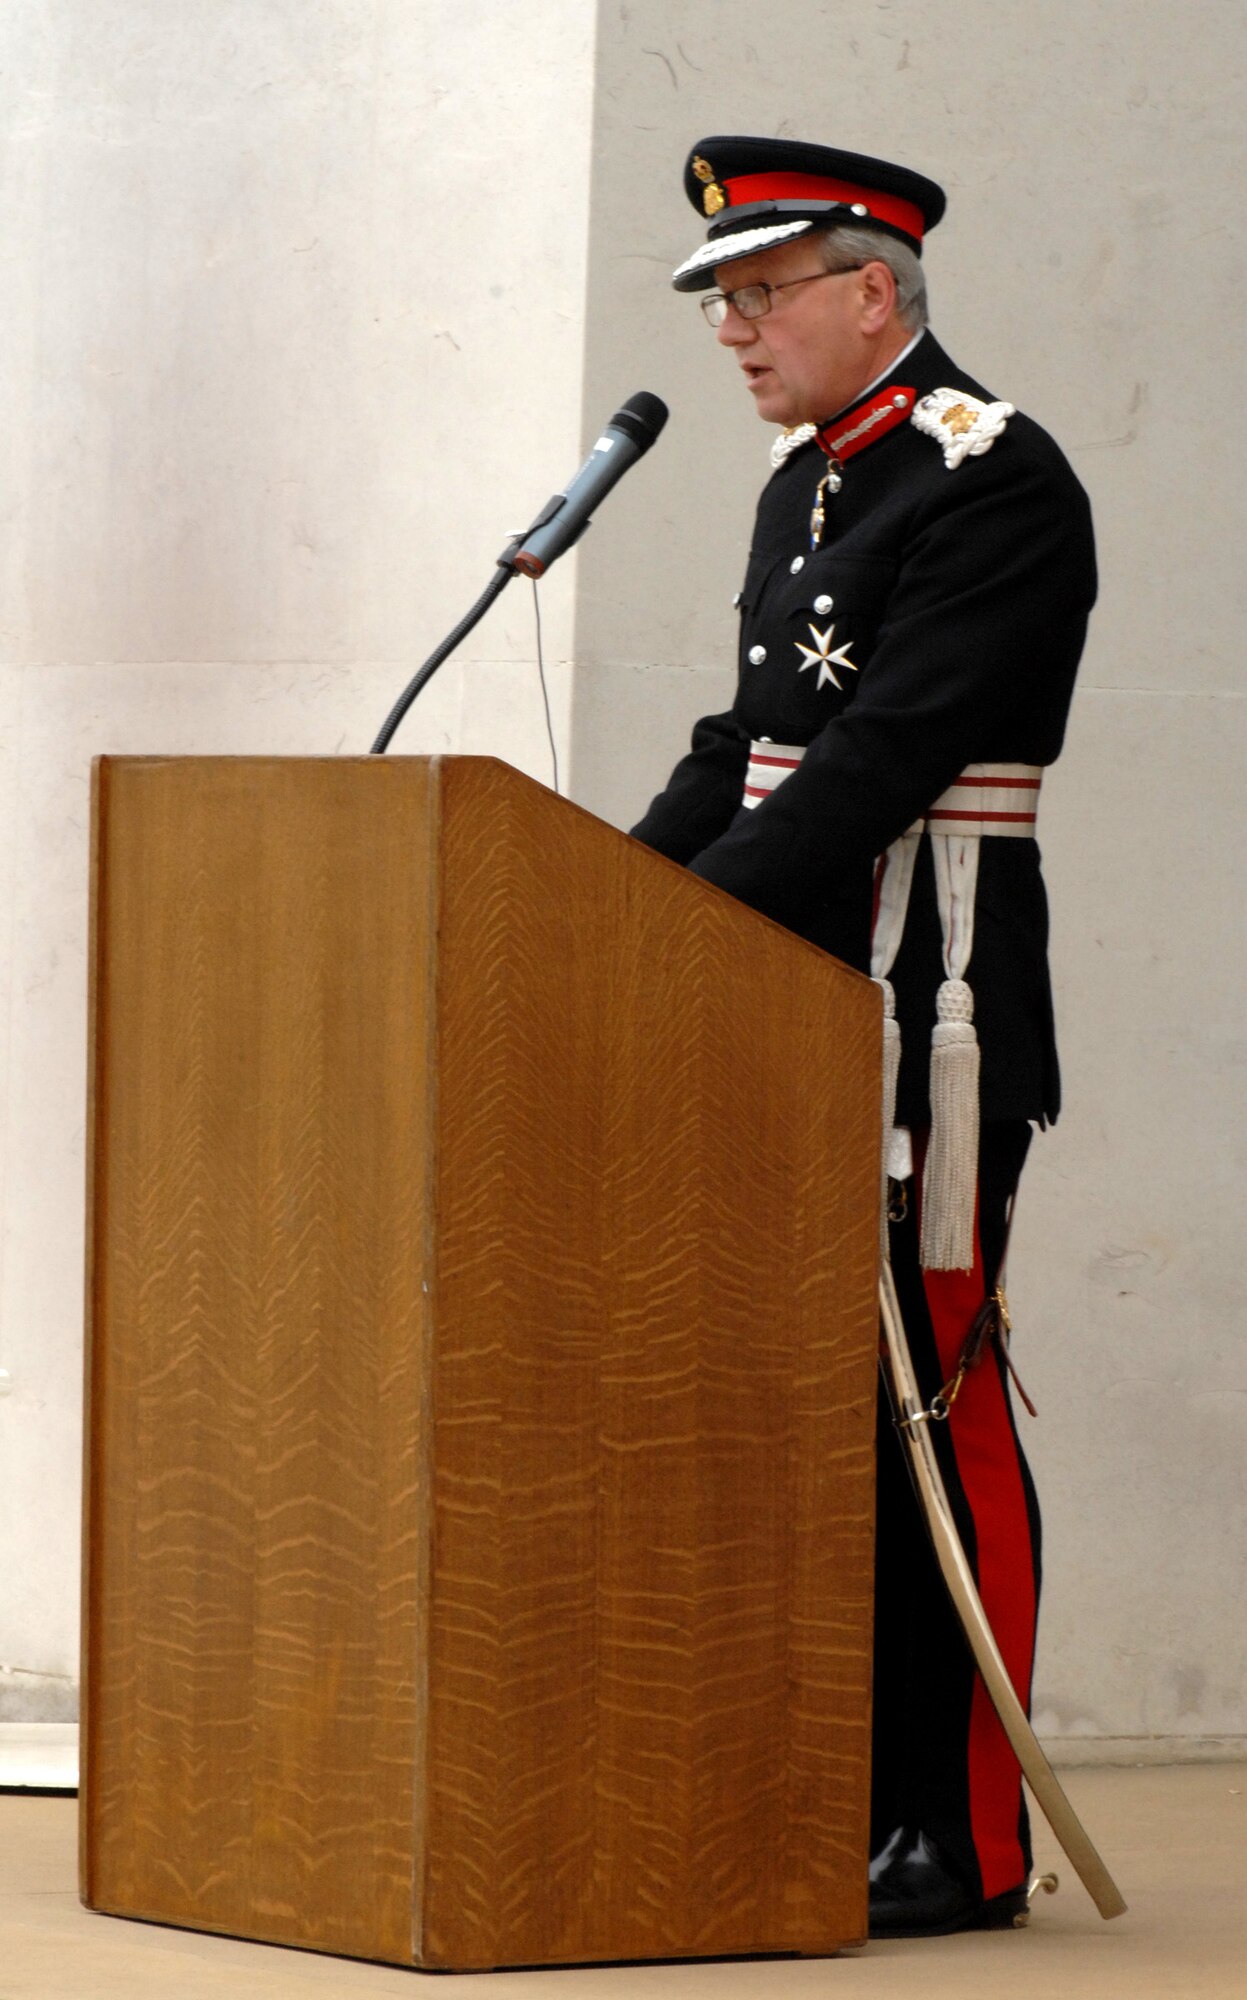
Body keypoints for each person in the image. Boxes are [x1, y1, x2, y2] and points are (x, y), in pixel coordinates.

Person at [630, 135, 1097, 1939]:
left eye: (760, 294)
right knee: (814, 1418)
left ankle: (960, 1838)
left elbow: (879, 764)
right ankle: (840, 1781)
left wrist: (688, 931)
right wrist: (579, 908)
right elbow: (738, 745)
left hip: (929, 1011)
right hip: (787, 992)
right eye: (724, 301)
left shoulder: (995, 480)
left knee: (931, 1396)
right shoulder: (805, 486)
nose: (734, 330)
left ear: (872, 294)